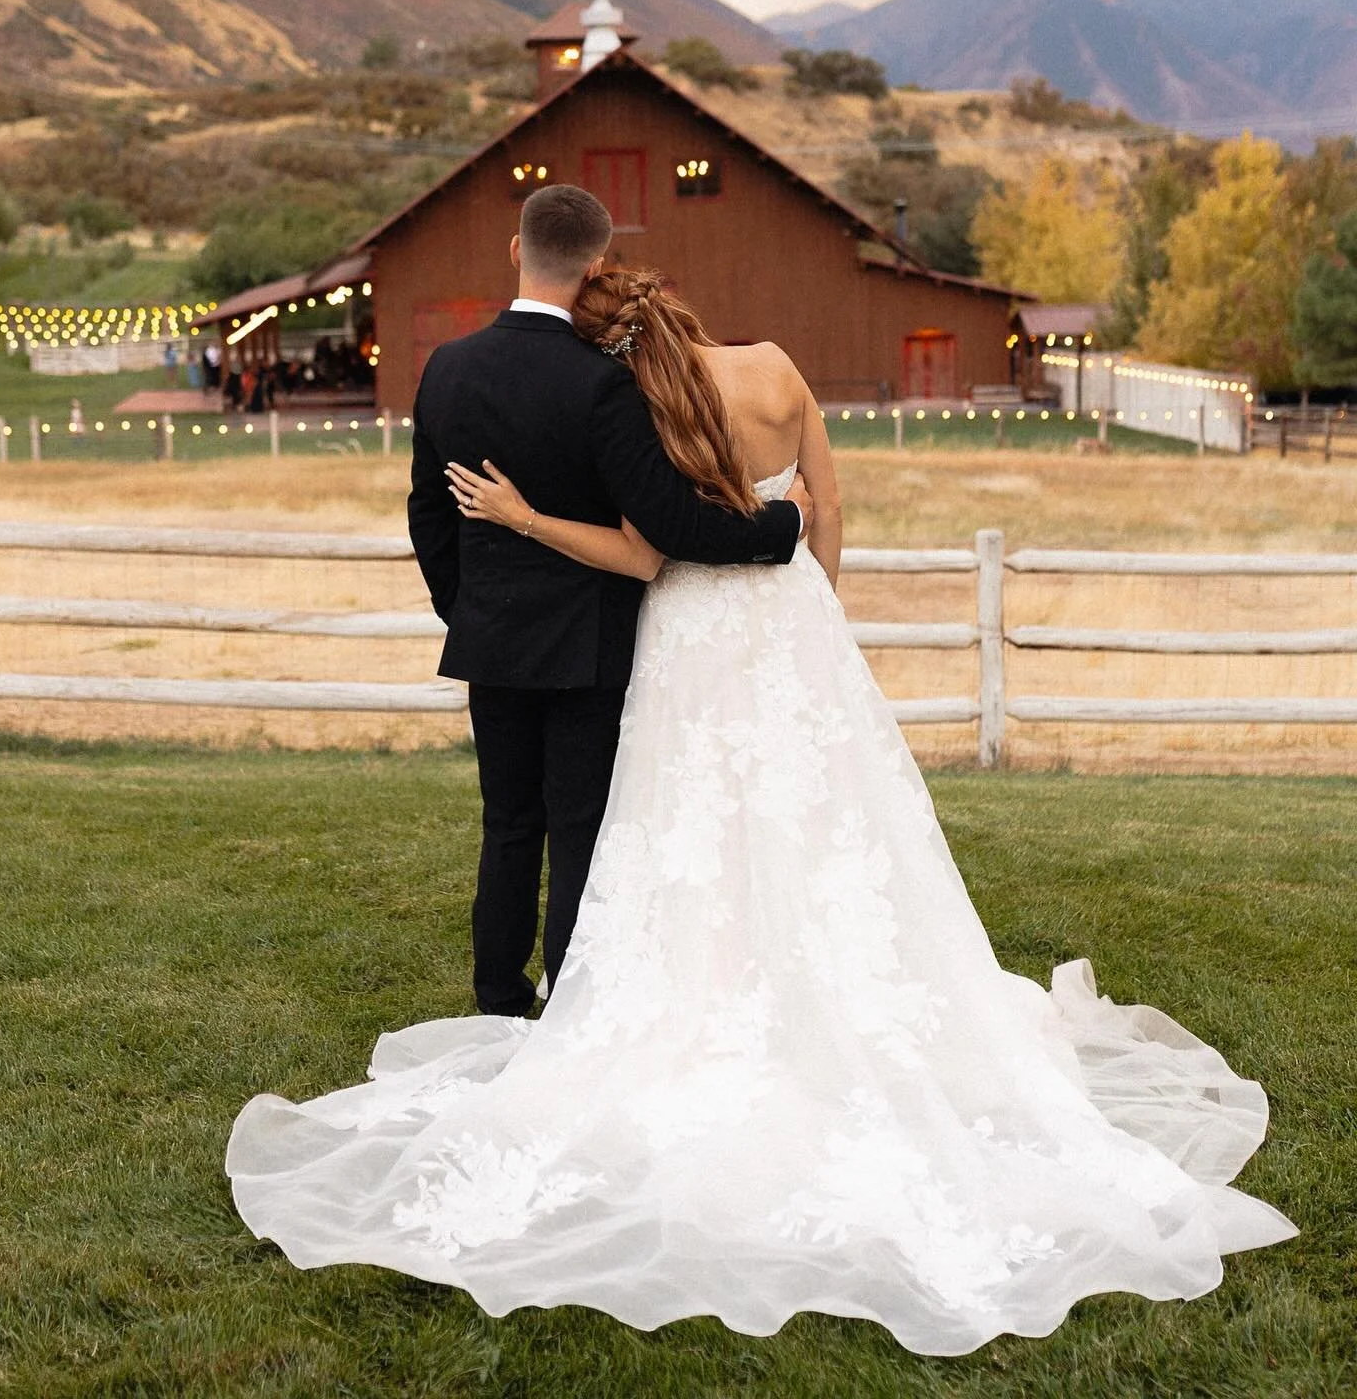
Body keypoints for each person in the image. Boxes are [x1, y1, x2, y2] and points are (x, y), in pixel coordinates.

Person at [228, 258, 1294, 1355]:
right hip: (795, 628)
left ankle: (694, 988)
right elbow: (829, 505)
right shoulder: (780, 369)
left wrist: (528, 518)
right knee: (826, 822)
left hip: (692, 633)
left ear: (620, 343)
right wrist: (818, 618)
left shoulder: (643, 402)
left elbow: (652, 551)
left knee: (688, 823)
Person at [410, 185, 805, 1014]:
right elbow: (669, 526)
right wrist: (781, 525)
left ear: (515, 250)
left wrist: (468, 611)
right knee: (579, 823)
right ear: (594, 267)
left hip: (492, 641)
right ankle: (570, 995)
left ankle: (496, 993)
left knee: (509, 822)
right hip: (587, 643)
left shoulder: (447, 368)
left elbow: (428, 514)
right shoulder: (601, 384)